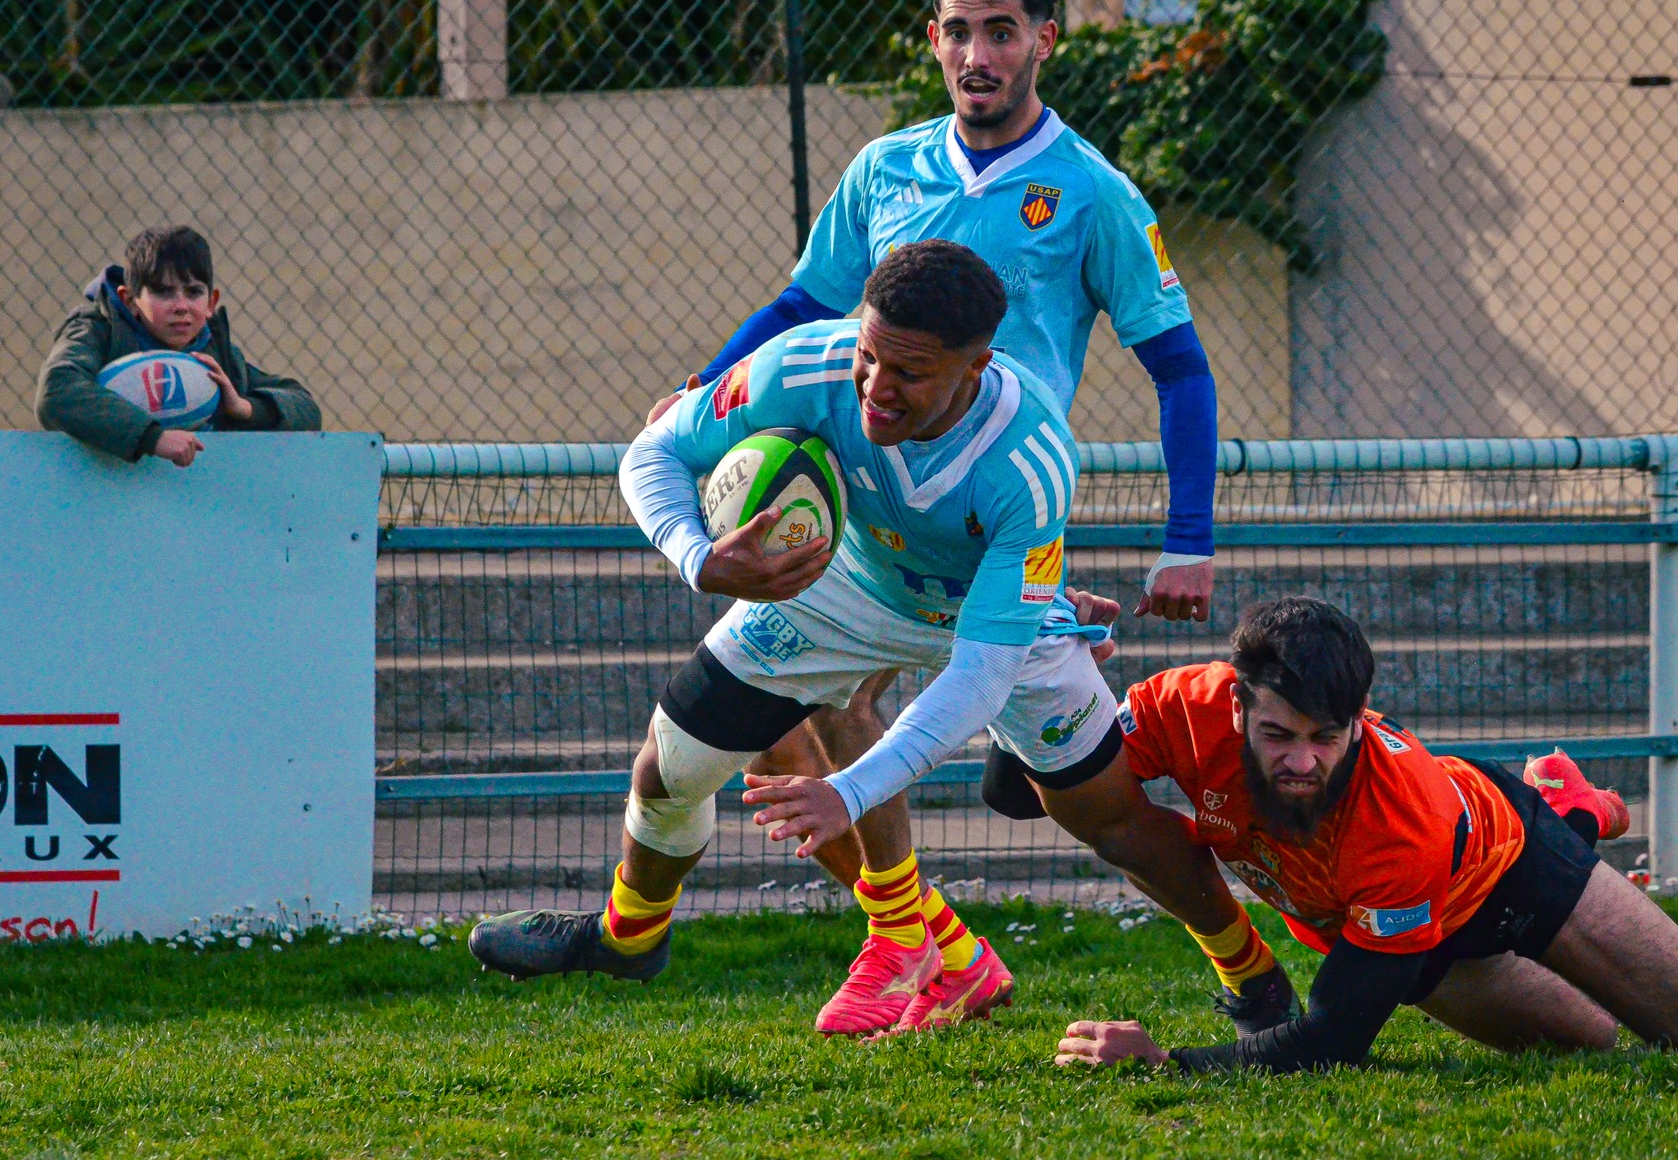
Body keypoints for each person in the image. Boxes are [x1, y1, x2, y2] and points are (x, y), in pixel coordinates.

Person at [640, 0, 1247, 1031]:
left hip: (998, 524)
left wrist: (1184, 540)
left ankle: (1244, 965)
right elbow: (802, 303)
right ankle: (908, 943)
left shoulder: (1093, 193)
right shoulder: (885, 168)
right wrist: (702, 389)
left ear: (1044, 40)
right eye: (959, 32)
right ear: (932, 39)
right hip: (876, 519)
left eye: (1001, 32)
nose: (978, 56)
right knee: (808, 699)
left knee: (1097, 810)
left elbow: (1180, 368)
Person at [470, 241, 1279, 1038]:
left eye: (909, 374)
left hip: (1000, 627)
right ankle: (631, 936)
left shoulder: (1028, 462)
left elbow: (978, 682)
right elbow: (657, 450)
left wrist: (845, 793)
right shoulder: (801, 366)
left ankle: (1251, 975)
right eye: (868, 356)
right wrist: (699, 556)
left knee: (1112, 821)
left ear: (976, 366)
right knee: (669, 767)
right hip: (845, 592)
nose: (875, 389)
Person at [1050, 596, 1678, 1072]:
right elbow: (1030, 792)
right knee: (1606, 1051)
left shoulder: (1400, 823)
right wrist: (1054, 671)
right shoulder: (1182, 704)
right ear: (1236, 706)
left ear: (1360, 717)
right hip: (1424, 942)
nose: (1302, 762)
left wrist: (1166, 1062)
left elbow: (1333, 1039)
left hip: (1512, 873)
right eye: (1277, 735)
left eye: (1326, 737)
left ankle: (1563, 819)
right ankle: (1574, 807)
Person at [35, 225, 321, 467]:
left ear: (211, 303)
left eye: (194, 292)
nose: (181, 306)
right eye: (163, 291)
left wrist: (244, 407)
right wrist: (153, 438)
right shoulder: (98, 329)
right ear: (129, 300)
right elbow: (57, 391)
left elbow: (306, 409)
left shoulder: (216, 356)